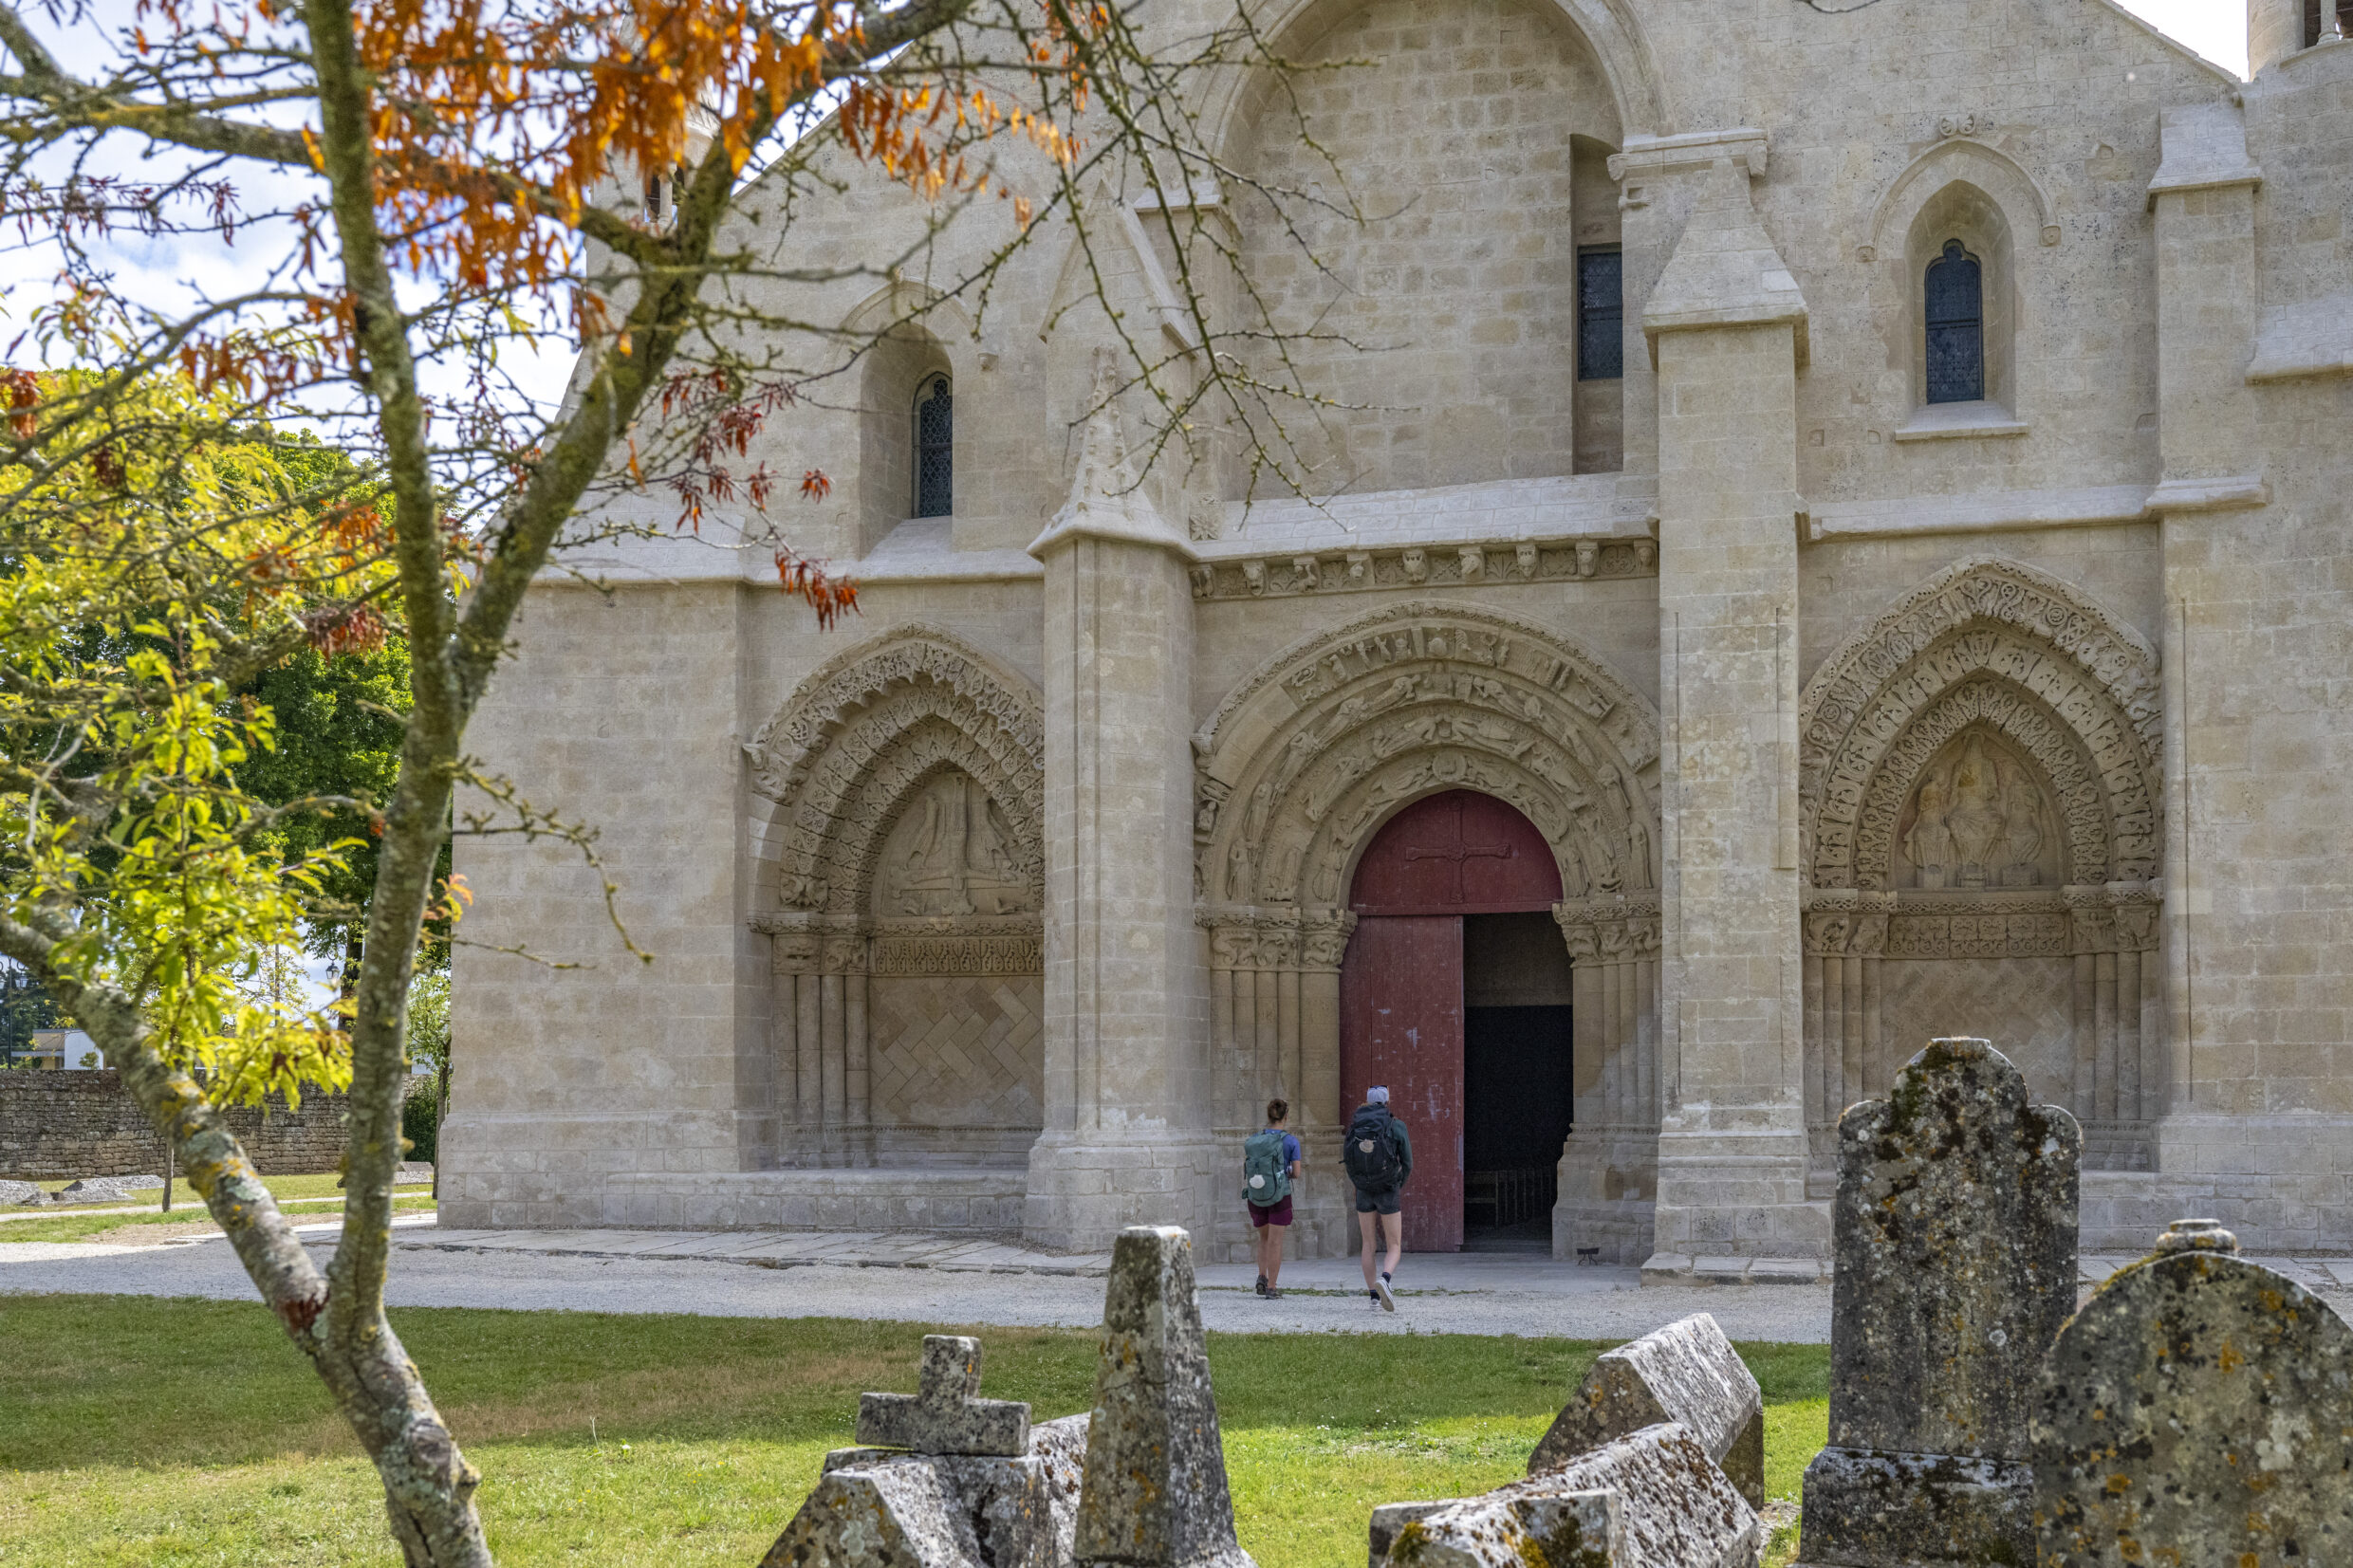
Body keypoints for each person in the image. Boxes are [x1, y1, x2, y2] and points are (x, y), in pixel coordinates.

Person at [1342, 1084, 1412, 1311]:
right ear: (1386, 1101)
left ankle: (1373, 1296)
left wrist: (1359, 1182)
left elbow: (1348, 1159)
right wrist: (1397, 1183)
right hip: (1387, 1188)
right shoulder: (1395, 1125)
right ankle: (1386, 1279)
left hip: (1363, 1189)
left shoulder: (1355, 1127)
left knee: (1368, 1244)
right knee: (1394, 1245)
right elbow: (1408, 1162)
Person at [1242, 1098, 1302, 1299]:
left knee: (1264, 1238)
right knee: (1276, 1242)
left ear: (1268, 1116)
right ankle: (1272, 1287)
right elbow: (1297, 1173)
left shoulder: (1256, 1139)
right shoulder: (1291, 1141)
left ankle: (1261, 1276)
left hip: (1256, 1195)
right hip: (1279, 1195)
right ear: (1286, 1116)